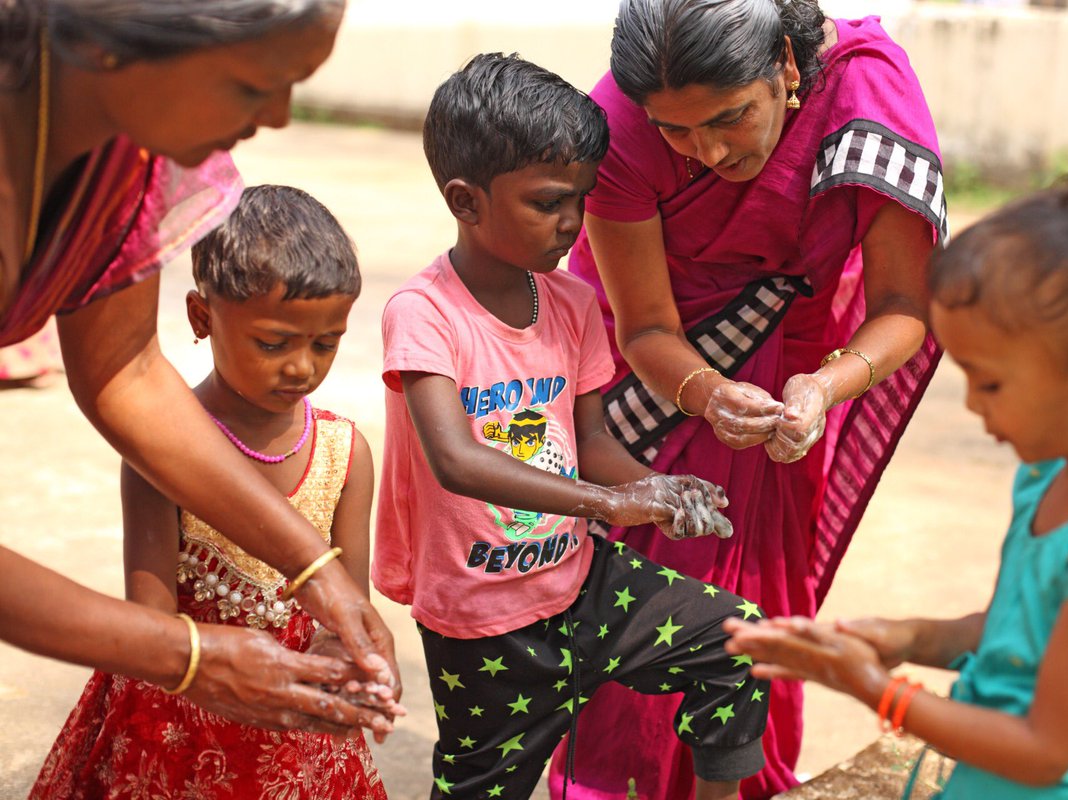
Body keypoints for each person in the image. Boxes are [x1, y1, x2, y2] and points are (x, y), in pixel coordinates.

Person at [547, 0, 945, 796]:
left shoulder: (866, 92)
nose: (709, 151)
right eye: (678, 132)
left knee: (756, 603)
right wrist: (710, 393)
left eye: (732, 117)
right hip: (647, 394)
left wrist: (822, 388)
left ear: (788, 72)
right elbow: (646, 326)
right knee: (635, 614)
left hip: (794, 378)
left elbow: (904, 306)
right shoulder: (617, 128)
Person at [726, 171, 1068, 799]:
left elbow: (1045, 750)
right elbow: (1016, 630)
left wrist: (875, 688)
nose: (973, 407)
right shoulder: (1048, 477)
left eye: (991, 383)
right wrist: (910, 637)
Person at [373, 52, 770, 800]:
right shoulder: (423, 315)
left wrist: (655, 487)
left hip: (584, 582)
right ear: (466, 201)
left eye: (580, 199)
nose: (570, 223)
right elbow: (456, 460)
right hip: (484, 623)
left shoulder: (572, 304)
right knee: (482, 788)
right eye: (548, 202)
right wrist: (606, 505)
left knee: (738, 643)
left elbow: (589, 443)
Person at [0, 0, 399, 735]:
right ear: (116, 40)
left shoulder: (125, 164)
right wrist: (187, 656)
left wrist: (318, 571)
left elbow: (125, 370)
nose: (279, 116)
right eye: (254, 84)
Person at [29, 184, 394, 798]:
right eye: (273, 343)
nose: (302, 367)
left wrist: (352, 665)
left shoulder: (343, 453)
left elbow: (347, 605)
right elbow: (151, 621)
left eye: (325, 343)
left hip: (295, 732)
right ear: (202, 317)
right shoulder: (159, 455)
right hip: (179, 727)